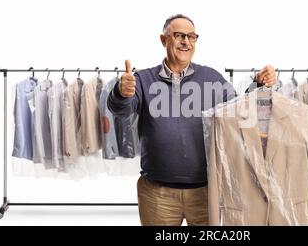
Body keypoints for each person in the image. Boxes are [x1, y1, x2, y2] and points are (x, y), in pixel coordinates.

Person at [108, 14, 277, 226]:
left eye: (191, 37)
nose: (186, 42)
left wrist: (258, 86)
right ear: (164, 40)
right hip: (157, 194)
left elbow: (239, 112)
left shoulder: (212, 78)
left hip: (206, 192)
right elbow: (121, 111)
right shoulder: (143, 79)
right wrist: (121, 93)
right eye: (179, 35)